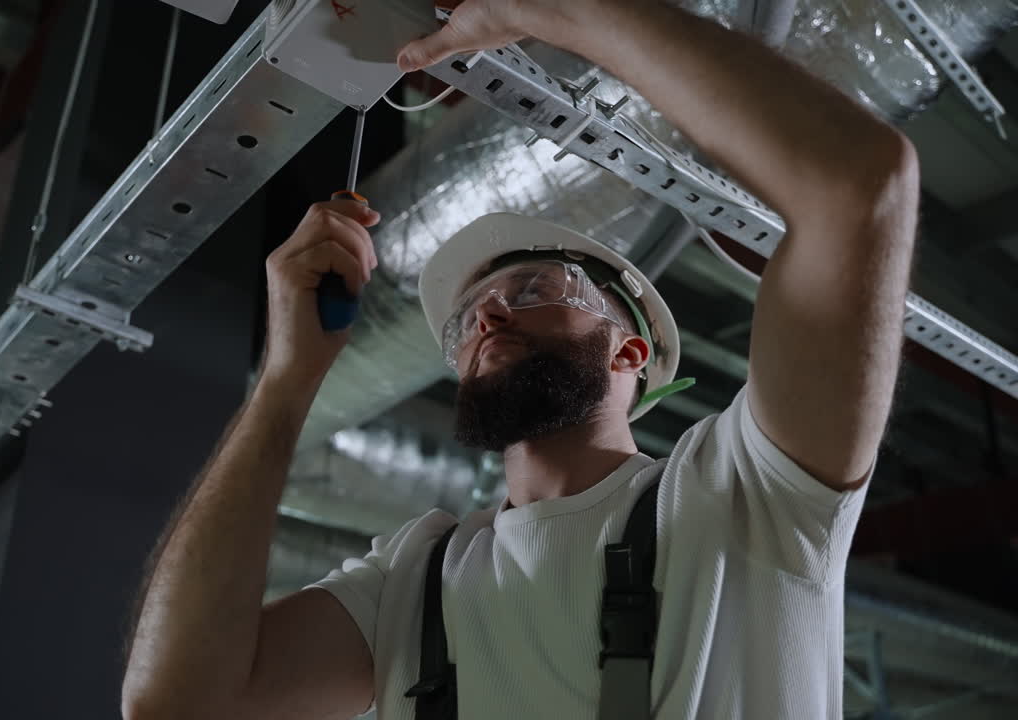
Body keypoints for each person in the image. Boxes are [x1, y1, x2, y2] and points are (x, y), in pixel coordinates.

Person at [121, 0, 919, 716]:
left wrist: (549, 9)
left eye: (538, 286)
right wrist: (286, 381)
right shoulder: (416, 581)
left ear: (630, 351)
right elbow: (179, 702)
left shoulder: (748, 498)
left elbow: (858, 188)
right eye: (468, 316)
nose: (489, 313)